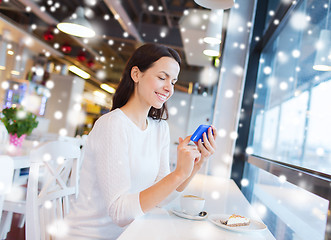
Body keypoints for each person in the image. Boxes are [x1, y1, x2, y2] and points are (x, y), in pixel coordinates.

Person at [63, 43, 217, 239]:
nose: (169, 88)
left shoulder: (160, 129)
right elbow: (119, 213)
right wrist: (178, 173)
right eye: (162, 78)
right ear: (136, 74)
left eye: (173, 81)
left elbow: (160, 200)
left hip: (130, 234)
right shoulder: (113, 125)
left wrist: (194, 166)